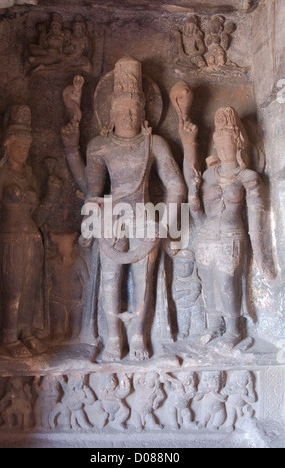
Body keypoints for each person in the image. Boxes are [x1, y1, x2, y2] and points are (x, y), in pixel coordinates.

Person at [61, 56, 186, 361]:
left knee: (144, 282)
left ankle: (139, 336)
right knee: (109, 280)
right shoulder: (99, 146)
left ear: (145, 112)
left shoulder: (154, 143)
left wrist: (165, 225)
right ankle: (114, 339)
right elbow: (93, 193)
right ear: (111, 112)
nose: (128, 115)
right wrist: (90, 226)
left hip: (144, 217)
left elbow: (177, 186)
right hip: (111, 217)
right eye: (122, 109)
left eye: (134, 109)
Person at [189, 107, 274, 348]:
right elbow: (197, 215)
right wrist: (193, 193)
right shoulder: (207, 176)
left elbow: (257, 218)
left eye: (227, 142)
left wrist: (259, 250)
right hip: (206, 235)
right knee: (208, 281)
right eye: (219, 142)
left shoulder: (248, 177)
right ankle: (214, 326)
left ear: (238, 144)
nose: (222, 148)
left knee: (227, 281)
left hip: (232, 236)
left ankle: (234, 331)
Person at [0, 106, 56, 358]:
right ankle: (8, 337)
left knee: (30, 290)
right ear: (7, 145)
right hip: (9, 240)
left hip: (32, 240)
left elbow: (37, 216)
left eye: (27, 146)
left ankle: (26, 333)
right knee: (13, 289)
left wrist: (51, 193)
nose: (23, 150)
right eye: (19, 145)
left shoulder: (30, 175)